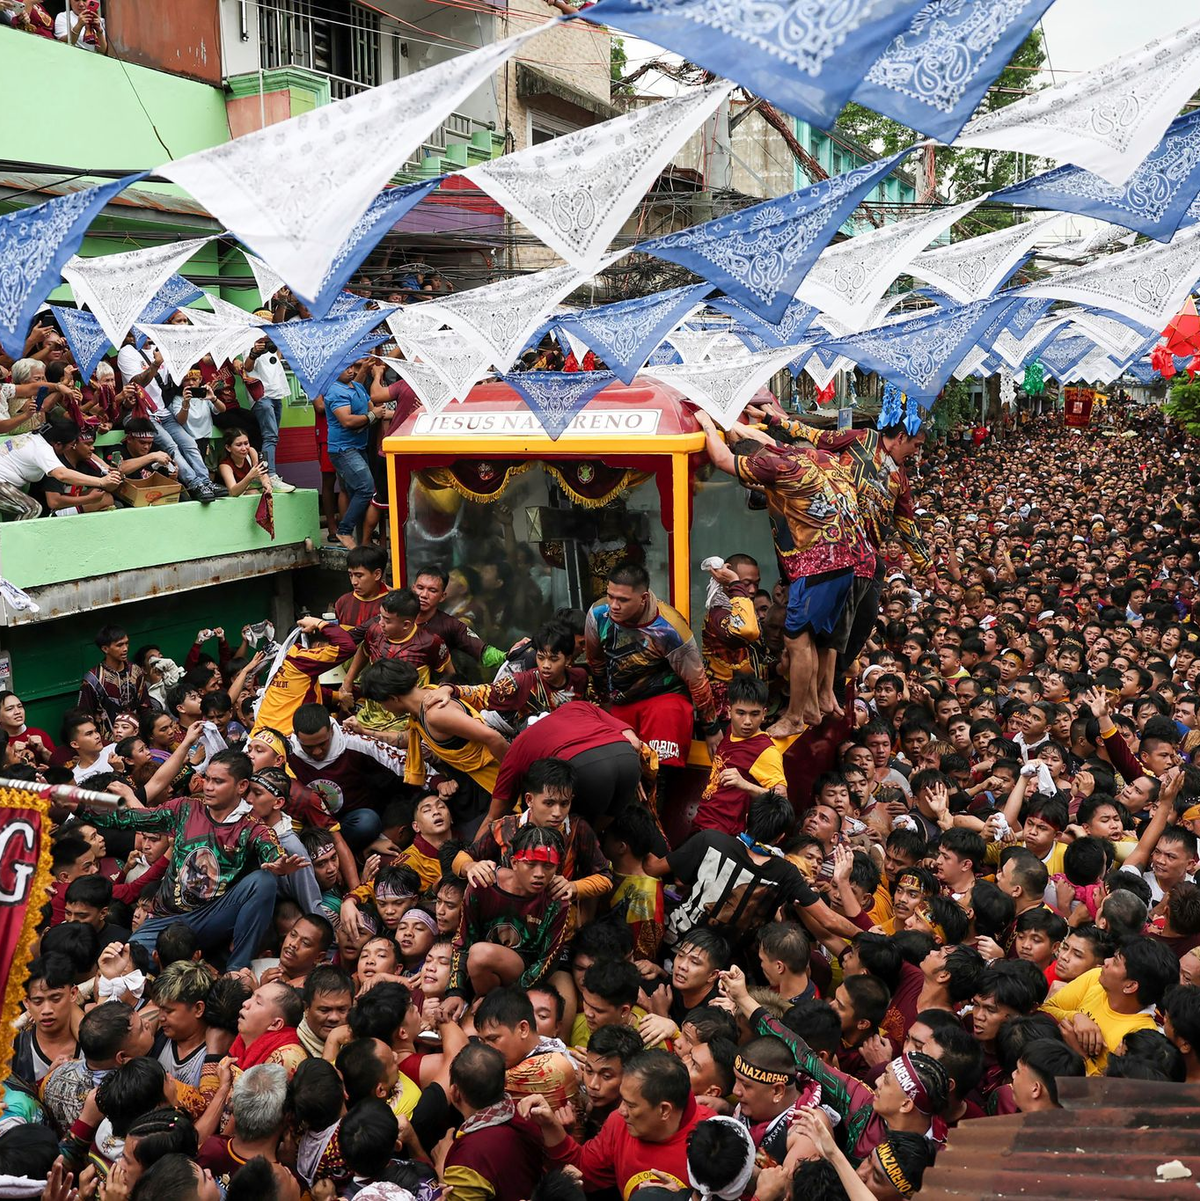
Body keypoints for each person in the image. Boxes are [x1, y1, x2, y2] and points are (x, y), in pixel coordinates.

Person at [694, 410, 875, 734]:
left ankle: (794, 716)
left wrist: (706, 422)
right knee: (821, 639)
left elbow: (722, 459)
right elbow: (762, 442)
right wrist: (730, 422)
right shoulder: (808, 455)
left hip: (820, 562)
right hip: (851, 560)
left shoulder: (772, 466)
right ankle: (816, 704)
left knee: (796, 640)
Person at [75, 748, 305, 970]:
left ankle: (237, 967)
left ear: (241, 786)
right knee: (128, 963)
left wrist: (279, 863)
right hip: (166, 919)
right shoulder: (185, 808)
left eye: (218, 781)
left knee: (264, 880)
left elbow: (272, 850)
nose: (208, 787)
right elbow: (131, 818)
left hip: (211, 917)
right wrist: (78, 807)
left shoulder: (252, 827)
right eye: (207, 779)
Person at [585, 561, 720, 766]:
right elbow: (596, 663)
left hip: (663, 698)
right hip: (620, 699)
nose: (613, 605)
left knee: (662, 753)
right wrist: (605, 704)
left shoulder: (669, 628)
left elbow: (697, 681)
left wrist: (711, 729)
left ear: (643, 598)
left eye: (623, 600)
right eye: (610, 596)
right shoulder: (597, 614)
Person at [523, 1049, 711, 1193]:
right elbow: (581, 1170)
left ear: (664, 1110)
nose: (621, 1111)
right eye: (622, 1100)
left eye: (631, 1105)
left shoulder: (714, 1139)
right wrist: (549, 1125)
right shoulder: (618, 1123)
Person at [442, 1043, 547, 1201]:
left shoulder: (466, 1164)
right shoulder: (530, 1117)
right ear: (505, 1082)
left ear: (455, 1093)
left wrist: (440, 1167)